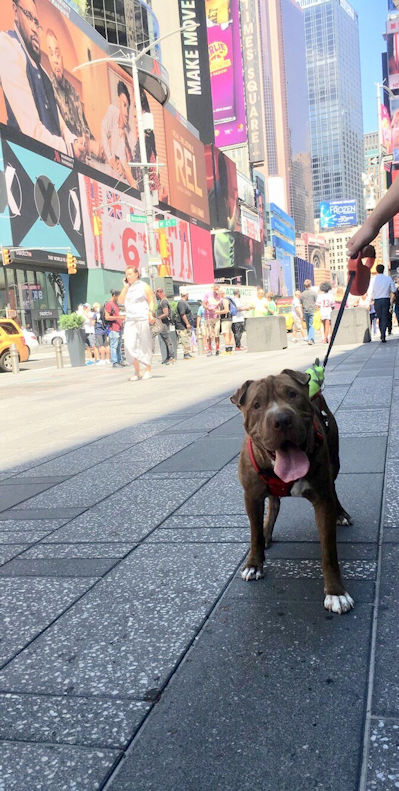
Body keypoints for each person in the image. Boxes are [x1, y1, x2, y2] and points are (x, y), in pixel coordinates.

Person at [0, 0, 83, 157]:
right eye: (29, 16)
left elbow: (61, 125)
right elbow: (31, 131)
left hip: (53, 165)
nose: (34, 28)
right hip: (23, 162)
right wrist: (70, 149)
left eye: (37, 22)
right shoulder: (7, 45)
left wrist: (75, 141)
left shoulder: (43, 71)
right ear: (15, 10)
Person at [46, 29, 102, 163]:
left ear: (62, 57)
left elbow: (85, 127)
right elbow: (55, 134)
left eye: (58, 54)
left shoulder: (73, 91)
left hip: (87, 160)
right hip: (66, 159)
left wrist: (95, 144)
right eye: (51, 54)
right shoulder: (47, 89)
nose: (56, 60)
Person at [118, 266, 155, 380]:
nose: (128, 276)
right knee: (128, 345)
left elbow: (151, 300)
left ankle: (147, 369)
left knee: (145, 343)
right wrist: (125, 287)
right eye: (126, 274)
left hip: (142, 318)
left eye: (130, 274)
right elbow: (120, 301)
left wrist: (150, 313)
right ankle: (137, 371)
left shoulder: (144, 286)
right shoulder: (127, 288)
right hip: (130, 320)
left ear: (136, 274)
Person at [101, 81, 137, 187]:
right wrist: (109, 157)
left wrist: (124, 169)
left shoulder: (130, 136)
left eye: (128, 107)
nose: (126, 112)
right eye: (124, 105)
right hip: (106, 170)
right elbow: (103, 130)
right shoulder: (112, 111)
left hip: (121, 181)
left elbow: (130, 167)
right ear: (119, 103)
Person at [370, 264, 396, 343]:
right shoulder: (388, 278)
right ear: (383, 270)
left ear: (377, 270)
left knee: (379, 317)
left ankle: (382, 333)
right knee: (384, 317)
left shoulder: (373, 280)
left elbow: (371, 292)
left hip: (377, 300)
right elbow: (394, 290)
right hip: (385, 299)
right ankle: (383, 335)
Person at [155, 287, 175, 365]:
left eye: (156, 294)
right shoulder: (161, 301)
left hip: (163, 324)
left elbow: (166, 313)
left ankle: (172, 357)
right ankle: (167, 357)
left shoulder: (164, 302)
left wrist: (157, 318)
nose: (155, 296)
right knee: (165, 341)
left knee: (168, 341)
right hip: (161, 324)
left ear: (159, 292)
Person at [104, 289, 124, 367]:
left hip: (118, 328)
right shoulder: (109, 304)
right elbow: (107, 317)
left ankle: (119, 360)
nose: (119, 298)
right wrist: (119, 317)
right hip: (113, 329)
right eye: (118, 296)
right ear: (114, 295)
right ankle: (115, 362)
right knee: (114, 346)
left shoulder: (116, 304)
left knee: (118, 345)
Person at [203, 284, 222, 356]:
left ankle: (217, 349)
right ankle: (209, 350)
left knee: (216, 333)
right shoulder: (208, 294)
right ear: (213, 288)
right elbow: (203, 304)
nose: (216, 291)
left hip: (216, 316)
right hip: (208, 316)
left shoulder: (219, 296)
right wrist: (208, 308)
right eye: (215, 289)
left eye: (218, 289)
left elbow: (221, 305)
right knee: (209, 334)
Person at [175, 290, 193, 360]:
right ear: (186, 295)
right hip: (182, 325)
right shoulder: (181, 303)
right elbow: (183, 314)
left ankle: (187, 353)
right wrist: (187, 323)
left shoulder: (183, 302)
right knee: (184, 339)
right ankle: (186, 354)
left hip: (184, 325)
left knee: (186, 339)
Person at [300, 279, 316, 345]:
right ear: (310, 284)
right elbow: (316, 301)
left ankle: (310, 338)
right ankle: (311, 339)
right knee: (311, 325)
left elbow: (301, 304)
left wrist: (302, 314)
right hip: (312, 310)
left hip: (305, 311)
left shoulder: (302, 294)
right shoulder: (313, 293)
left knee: (308, 326)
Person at [218, 288, 234, 354]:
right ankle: (230, 350)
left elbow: (226, 310)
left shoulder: (224, 300)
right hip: (229, 319)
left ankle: (227, 350)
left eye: (219, 293)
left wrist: (218, 312)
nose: (218, 294)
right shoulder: (227, 299)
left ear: (222, 293)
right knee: (229, 334)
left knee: (226, 334)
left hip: (225, 319)